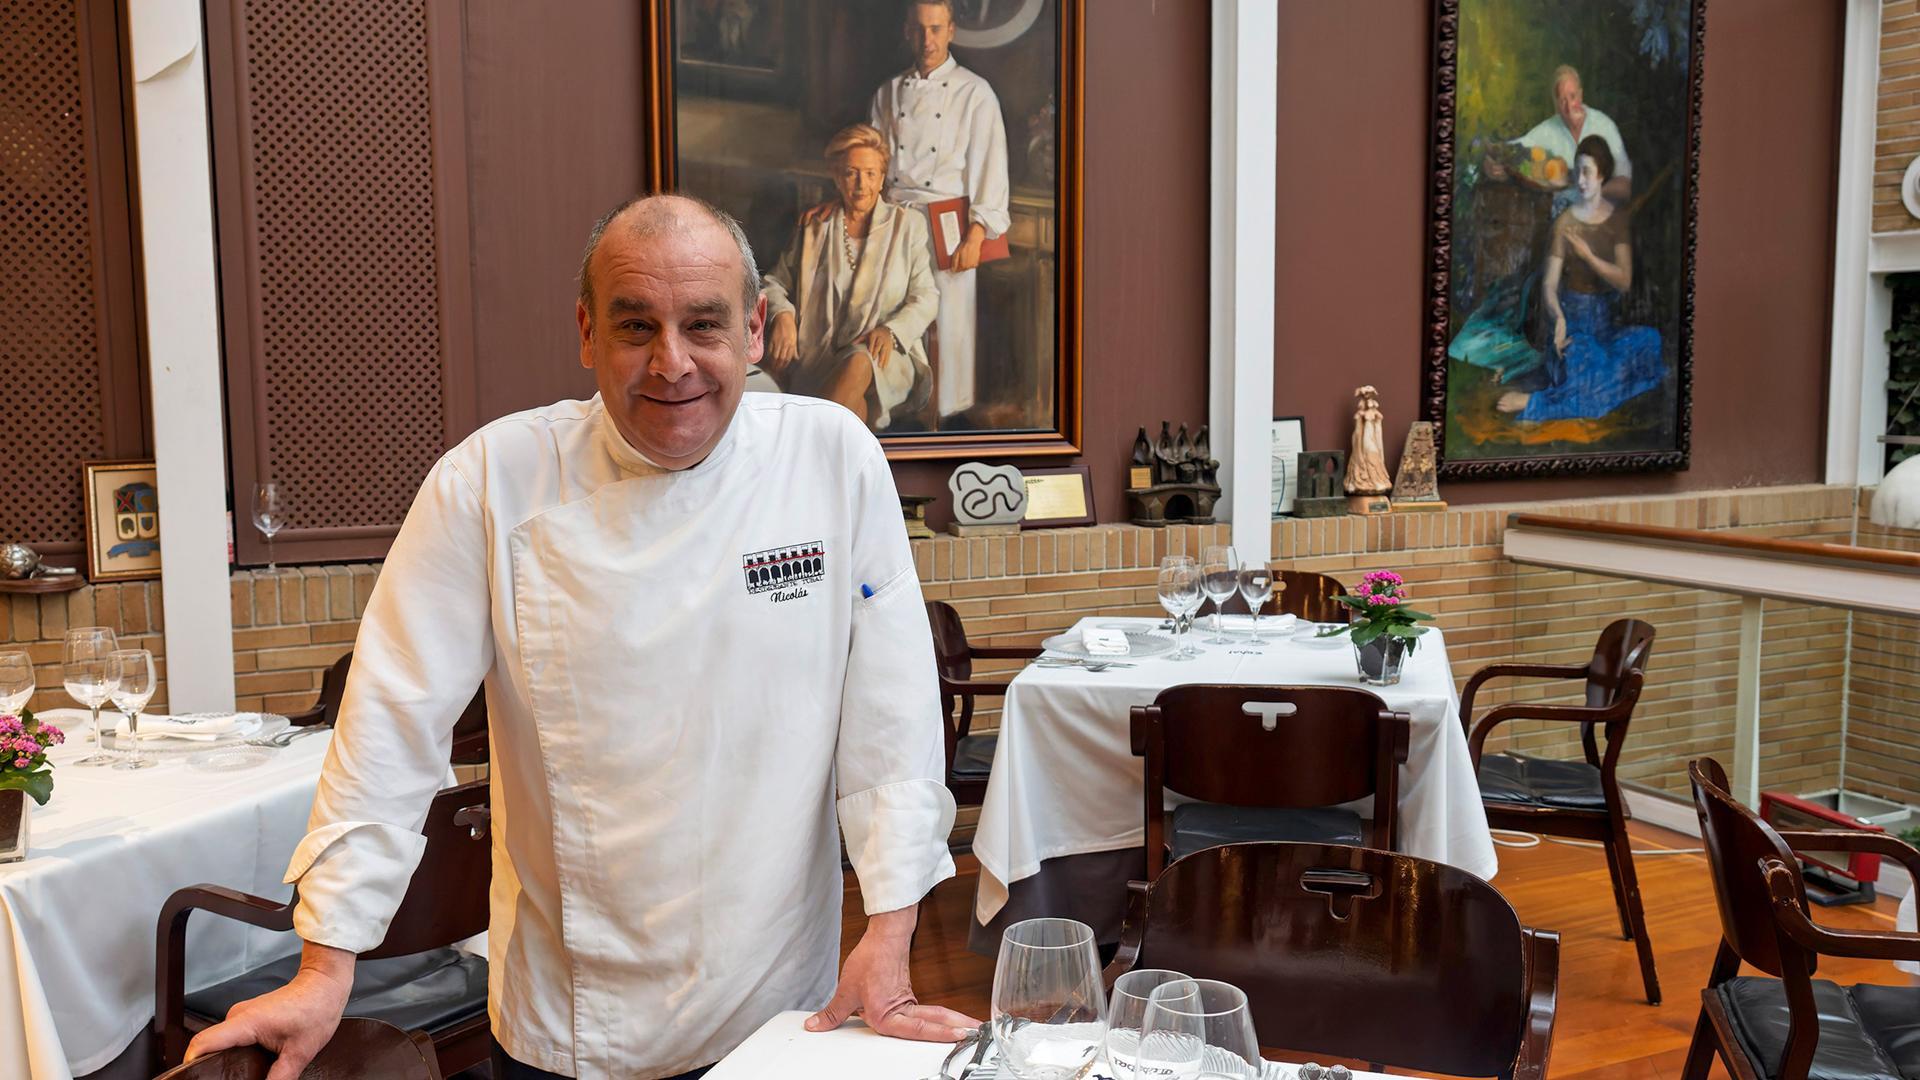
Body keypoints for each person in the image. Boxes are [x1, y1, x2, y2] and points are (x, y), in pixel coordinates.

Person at [183, 194, 975, 1079]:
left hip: (781, 1003)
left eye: (703, 325)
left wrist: (892, 926)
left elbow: (893, 716)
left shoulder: (833, 458)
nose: (672, 363)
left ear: (754, 330)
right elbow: (388, 726)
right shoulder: (490, 482)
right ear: (586, 332)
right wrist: (327, 965)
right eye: (637, 326)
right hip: (574, 1022)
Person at [807, 0, 1007, 424]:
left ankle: (940, 417)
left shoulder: (977, 94)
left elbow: (991, 168)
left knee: (944, 327)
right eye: (919, 30)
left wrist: (977, 234)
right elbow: (868, 162)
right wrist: (846, 200)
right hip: (894, 220)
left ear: (951, 30)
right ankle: (884, 408)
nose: (927, 40)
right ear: (906, 32)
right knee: (885, 316)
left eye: (935, 29)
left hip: (949, 223)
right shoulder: (887, 92)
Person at [763, 124, 939, 430]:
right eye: (851, 173)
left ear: (883, 177)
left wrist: (891, 330)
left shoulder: (907, 226)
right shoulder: (815, 226)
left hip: (883, 354)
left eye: (871, 174)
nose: (861, 185)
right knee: (852, 414)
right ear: (836, 176)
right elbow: (774, 283)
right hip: (819, 355)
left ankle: (806, 450)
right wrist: (783, 316)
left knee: (859, 360)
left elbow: (926, 296)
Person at [1497, 137, 1663, 422]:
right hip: (1572, 325)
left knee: (1650, 341)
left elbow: (1623, 281)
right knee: (1587, 366)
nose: (1581, 179)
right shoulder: (1564, 223)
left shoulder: (1617, 222)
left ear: (1601, 175)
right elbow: (1549, 284)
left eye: (1587, 171)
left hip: (1605, 326)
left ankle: (1560, 392)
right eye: (1577, 171)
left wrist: (1588, 256)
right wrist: (1559, 320)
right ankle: (1533, 403)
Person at [1484, 65, 1632, 210]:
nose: (1568, 107)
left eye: (1573, 97)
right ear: (1555, 103)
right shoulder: (1547, 131)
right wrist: (1496, 167)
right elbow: (1514, 150)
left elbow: (1624, 184)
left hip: (1602, 213)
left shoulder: (1603, 125)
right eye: (1562, 100)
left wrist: (1591, 195)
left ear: (1581, 95)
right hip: (1560, 215)